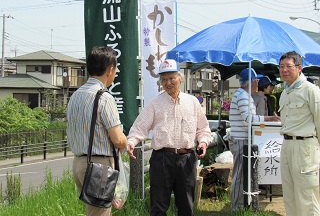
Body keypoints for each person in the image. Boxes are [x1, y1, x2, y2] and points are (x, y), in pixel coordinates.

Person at [127, 59, 212, 216]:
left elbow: (203, 129)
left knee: (186, 205)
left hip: (187, 158)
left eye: (172, 78)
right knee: (158, 207)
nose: (168, 83)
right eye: (164, 79)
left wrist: (203, 142)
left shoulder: (192, 102)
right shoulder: (155, 104)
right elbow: (139, 127)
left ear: (180, 78)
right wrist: (131, 141)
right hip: (162, 159)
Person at [67, 46, 127, 216]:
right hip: (99, 166)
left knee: (93, 212)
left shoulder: (76, 95)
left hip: (79, 163)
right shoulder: (104, 97)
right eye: (115, 69)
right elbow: (117, 139)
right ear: (110, 70)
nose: (115, 73)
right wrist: (125, 141)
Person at [229, 68, 281, 213]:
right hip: (240, 140)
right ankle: (237, 208)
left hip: (242, 139)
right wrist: (269, 118)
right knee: (240, 175)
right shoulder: (243, 96)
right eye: (256, 80)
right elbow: (249, 119)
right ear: (251, 82)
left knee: (244, 174)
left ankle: (241, 205)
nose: (258, 82)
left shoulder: (245, 95)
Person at [278, 51, 320, 216]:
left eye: (288, 66)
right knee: (289, 195)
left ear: (299, 68)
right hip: (287, 145)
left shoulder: (311, 90)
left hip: (306, 148)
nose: (284, 70)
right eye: (281, 67)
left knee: (307, 197)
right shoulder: (284, 92)